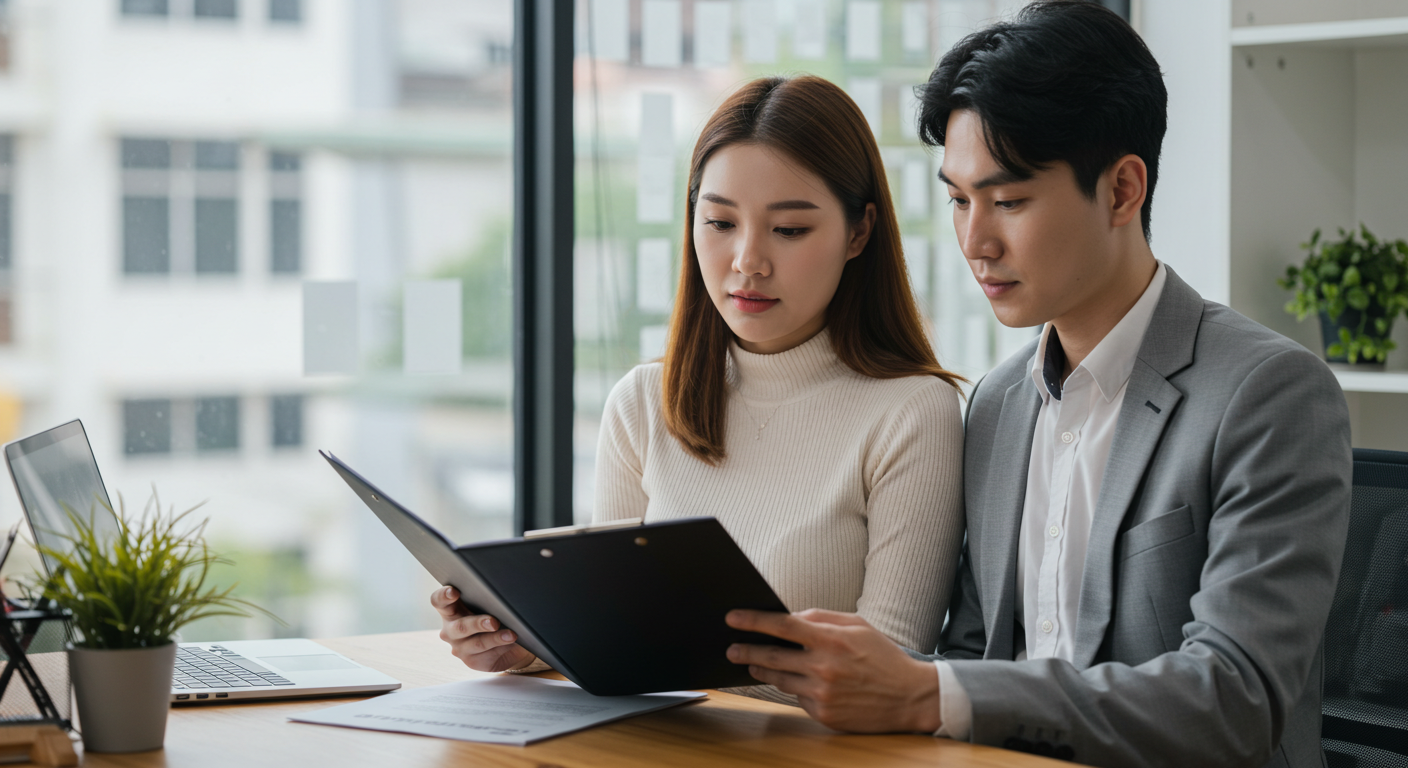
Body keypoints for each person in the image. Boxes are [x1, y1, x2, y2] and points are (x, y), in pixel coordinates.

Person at [724, 3, 1352, 766]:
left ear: (1122, 191)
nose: (976, 242)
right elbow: (973, 653)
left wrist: (930, 692)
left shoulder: (1269, 395)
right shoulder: (998, 404)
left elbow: (1234, 698)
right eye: (959, 200)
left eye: (1009, 201)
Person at [432, 75, 968, 702]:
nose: (747, 261)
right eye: (718, 221)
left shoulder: (911, 411)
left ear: (859, 232)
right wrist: (526, 646)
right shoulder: (641, 403)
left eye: (789, 230)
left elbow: (888, 671)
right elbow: (614, 639)